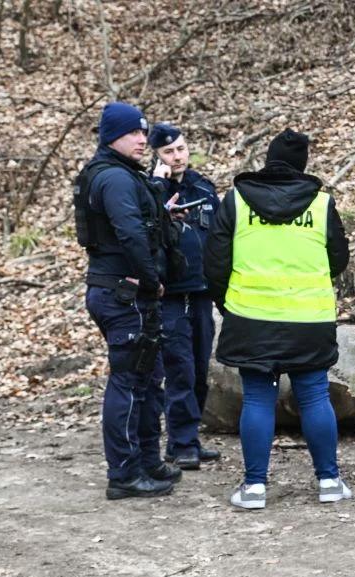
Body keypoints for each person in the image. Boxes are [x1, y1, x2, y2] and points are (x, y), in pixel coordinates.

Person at [203, 129, 352, 510]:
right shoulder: (320, 205)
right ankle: (330, 481)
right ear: (303, 164)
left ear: (268, 159)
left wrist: (229, 304)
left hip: (251, 318)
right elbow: (338, 260)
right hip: (309, 320)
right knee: (315, 396)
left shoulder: (236, 201)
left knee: (257, 397)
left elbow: (215, 261)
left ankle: (254, 488)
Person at [75, 102, 183, 499]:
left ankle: (146, 461)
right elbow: (131, 234)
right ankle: (123, 473)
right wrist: (152, 280)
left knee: (148, 378)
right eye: (133, 133)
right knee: (129, 381)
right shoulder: (115, 180)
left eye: (144, 132)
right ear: (111, 137)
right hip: (124, 294)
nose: (143, 140)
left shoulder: (121, 175)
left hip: (126, 291)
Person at [147, 123, 221, 470]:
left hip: (202, 292)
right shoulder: (149, 190)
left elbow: (220, 235)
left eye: (180, 149)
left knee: (200, 368)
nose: (177, 157)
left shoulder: (203, 187)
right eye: (168, 152)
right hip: (170, 295)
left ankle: (190, 437)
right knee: (179, 369)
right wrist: (161, 188)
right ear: (156, 157)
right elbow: (145, 231)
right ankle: (180, 442)